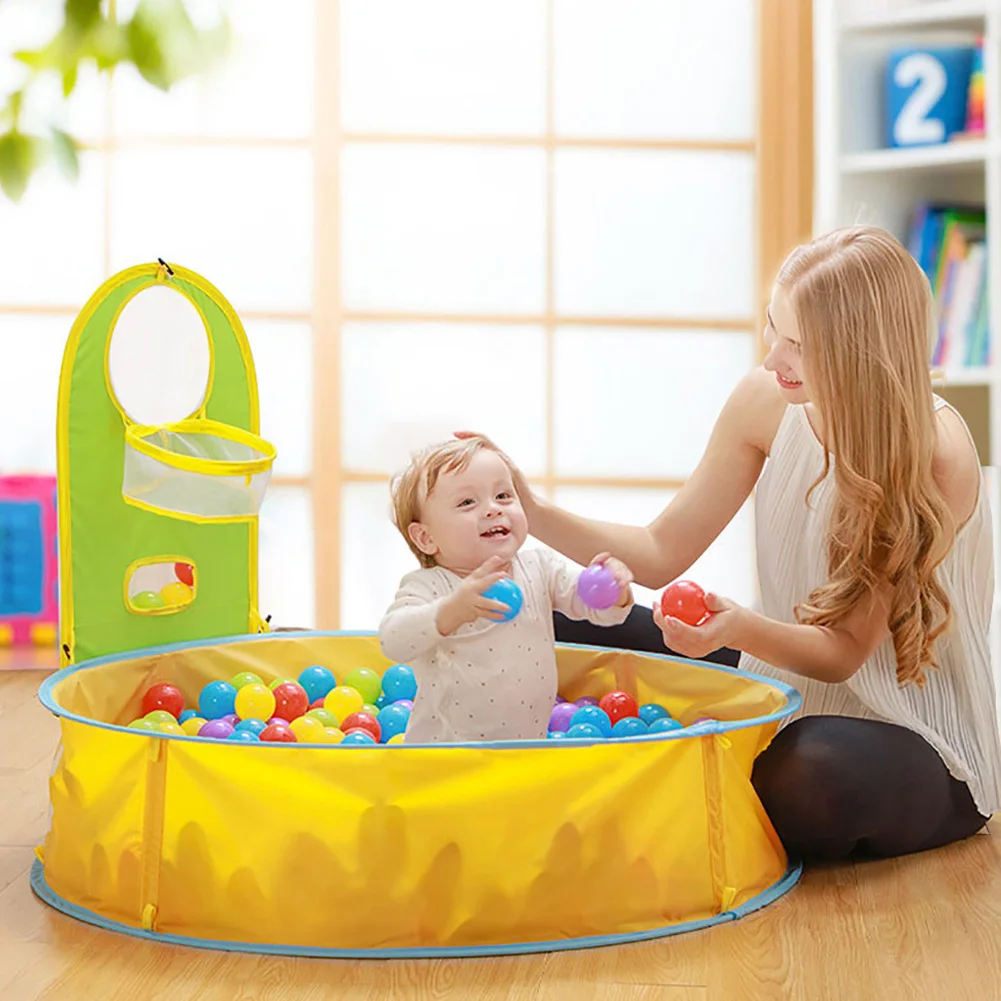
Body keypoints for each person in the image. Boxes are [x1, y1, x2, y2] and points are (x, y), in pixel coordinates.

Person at [463, 226, 1000, 860]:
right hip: (778, 683)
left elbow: (842, 656)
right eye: (774, 327)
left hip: (911, 730)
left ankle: (700, 776)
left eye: (799, 345)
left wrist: (735, 627)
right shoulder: (767, 401)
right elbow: (660, 552)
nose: (773, 358)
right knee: (541, 612)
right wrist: (534, 510)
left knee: (806, 777)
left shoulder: (932, 452)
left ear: (861, 353)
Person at [378, 436, 635, 743]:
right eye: (467, 502)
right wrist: (450, 611)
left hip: (524, 751)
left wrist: (614, 589)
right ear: (425, 538)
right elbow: (392, 640)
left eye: (503, 495)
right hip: (446, 760)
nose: (492, 509)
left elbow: (599, 611)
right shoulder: (431, 587)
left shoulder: (539, 567)